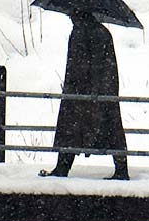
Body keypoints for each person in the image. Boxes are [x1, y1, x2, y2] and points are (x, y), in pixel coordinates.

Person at [40, 9, 130, 180]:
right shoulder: (101, 32)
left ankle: (62, 168)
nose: (70, 18)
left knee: (71, 129)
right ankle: (121, 169)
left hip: (83, 90)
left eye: (71, 15)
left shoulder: (82, 33)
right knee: (109, 128)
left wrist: (82, 88)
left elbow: (81, 66)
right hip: (101, 89)